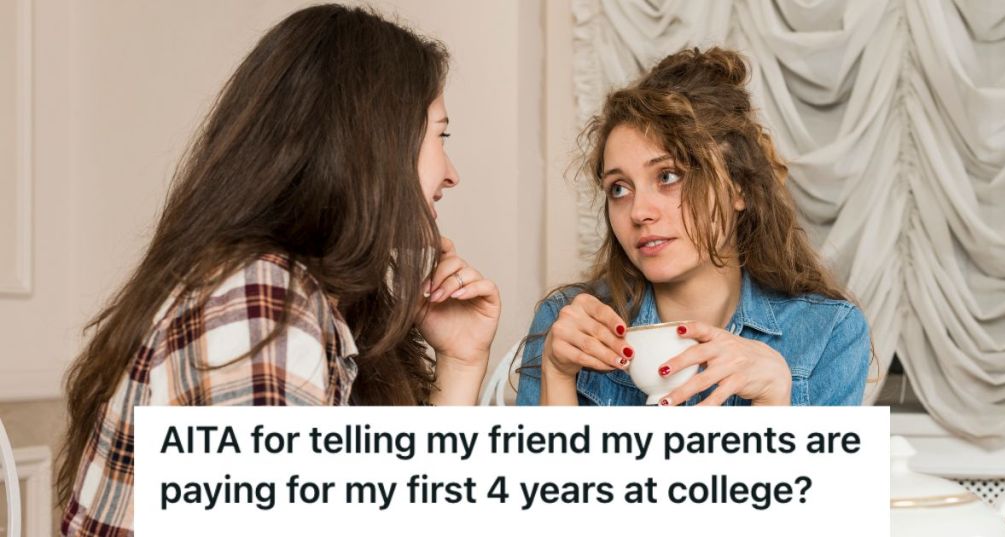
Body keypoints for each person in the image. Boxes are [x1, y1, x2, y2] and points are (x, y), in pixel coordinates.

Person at [59, 5, 500, 535]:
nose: (451, 175)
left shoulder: (300, 299)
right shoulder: (259, 305)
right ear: (373, 142)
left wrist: (460, 361)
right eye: (440, 137)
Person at [516, 47, 870, 407]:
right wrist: (558, 374)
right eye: (619, 189)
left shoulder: (829, 333)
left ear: (740, 188)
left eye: (668, 176)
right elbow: (537, 465)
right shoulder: (567, 324)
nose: (639, 211)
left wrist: (774, 400)